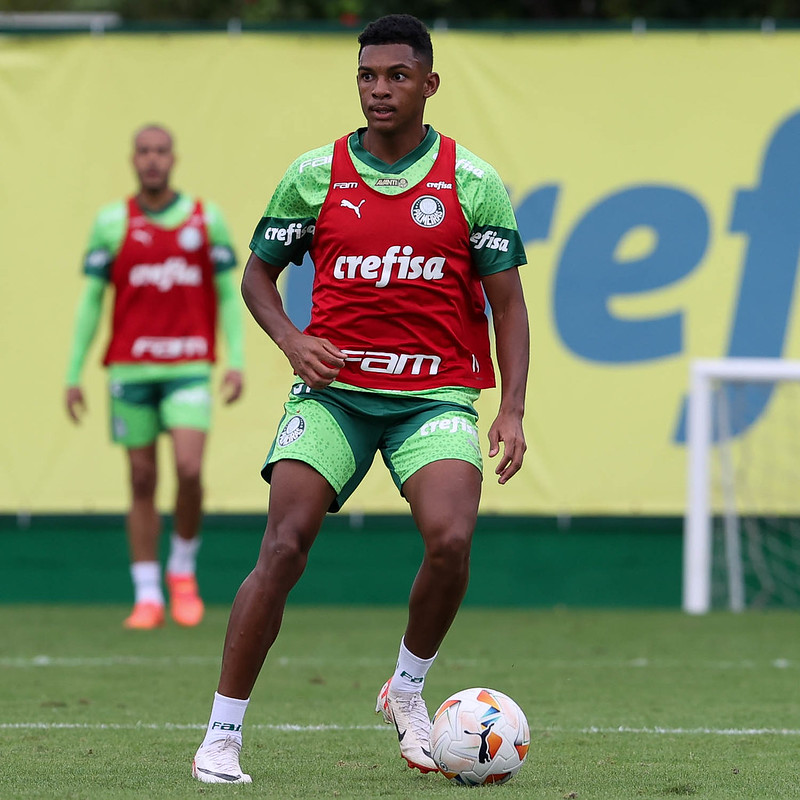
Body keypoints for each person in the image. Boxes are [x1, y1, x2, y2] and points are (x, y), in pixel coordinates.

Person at [191, 13, 528, 785]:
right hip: (336, 394)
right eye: (368, 77)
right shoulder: (314, 174)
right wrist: (291, 341)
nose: (380, 91)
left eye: (397, 77)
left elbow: (508, 306)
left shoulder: (471, 183)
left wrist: (510, 409)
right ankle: (221, 735)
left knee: (450, 539)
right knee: (283, 545)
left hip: (433, 396)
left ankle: (407, 690)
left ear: (429, 85)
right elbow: (254, 278)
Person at [65, 124, 245, 631]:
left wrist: (235, 360)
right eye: (143, 151)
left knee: (189, 469)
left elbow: (229, 295)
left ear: (174, 158)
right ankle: (146, 593)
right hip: (130, 368)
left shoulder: (205, 219)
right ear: (132, 159)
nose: (152, 160)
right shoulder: (111, 223)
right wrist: (73, 372)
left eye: (160, 151)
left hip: (188, 366)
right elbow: (91, 303)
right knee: (141, 479)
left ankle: (182, 572)